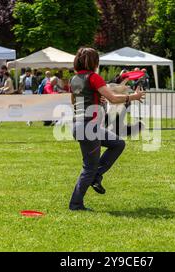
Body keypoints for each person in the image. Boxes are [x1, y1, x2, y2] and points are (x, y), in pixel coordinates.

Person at [69, 47, 145, 211]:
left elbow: (75, 102)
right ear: (93, 62)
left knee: (118, 143)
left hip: (79, 124)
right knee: (89, 167)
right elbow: (113, 98)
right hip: (89, 126)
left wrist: (98, 100)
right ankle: (76, 204)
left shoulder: (74, 78)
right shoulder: (93, 77)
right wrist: (134, 97)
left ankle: (97, 175)